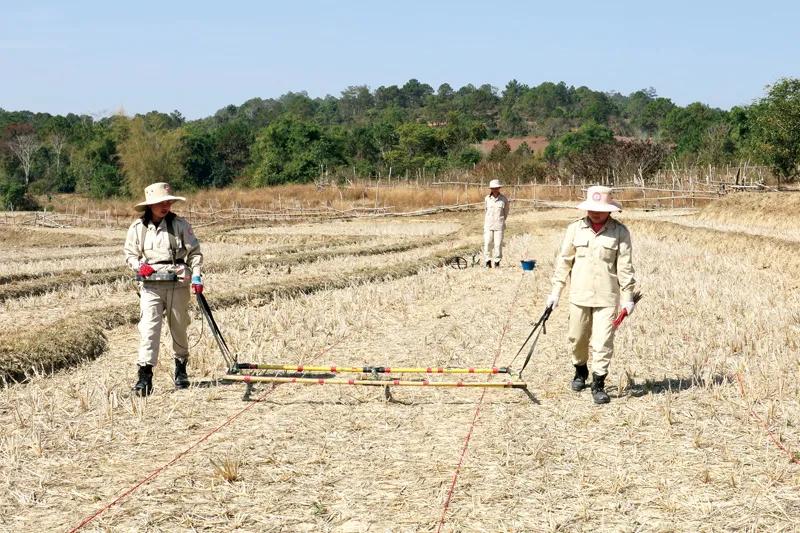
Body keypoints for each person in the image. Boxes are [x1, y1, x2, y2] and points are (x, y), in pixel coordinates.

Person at [546, 185, 636, 404]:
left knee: (603, 341)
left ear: (610, 210)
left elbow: (625, 267)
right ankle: (580, 370)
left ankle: (598, 383)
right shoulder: (575, 229)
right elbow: (564, 262)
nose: (595, 213)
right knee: (577, 339)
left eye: (600, 209)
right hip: (579, 295)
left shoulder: (620, 232)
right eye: (592, 208)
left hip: (607, 297)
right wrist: (555, 292)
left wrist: (628, 297)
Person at [123, 182, 204, 396]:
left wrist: (196, 275)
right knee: (149, 328)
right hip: (150, 285)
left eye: (168, 201)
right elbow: (130, 254)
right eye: (160, 202)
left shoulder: (180, 224)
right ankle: (144, 376)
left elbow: (194, 252)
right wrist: (140, 266)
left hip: (178, 282)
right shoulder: (137, 228)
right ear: (150, 205)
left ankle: (181, 369)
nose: (165, 205)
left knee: (179, 327)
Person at [483, 179, 510, 268]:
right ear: (491, 189)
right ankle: (487, 262)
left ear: (499, 188)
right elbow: (485, 211)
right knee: (487, 243)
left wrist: (500, 220)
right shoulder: (487, 199)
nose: (495, 190)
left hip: (499, 225)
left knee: (498, 245)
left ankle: (497, 262)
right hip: (488, 225)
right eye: (493, 188)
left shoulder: (504, 199)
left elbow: (506, 212)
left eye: (496, 188)